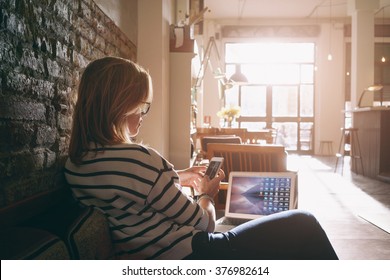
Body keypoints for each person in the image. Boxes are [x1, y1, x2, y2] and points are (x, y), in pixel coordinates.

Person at [64, 56, 338, 260]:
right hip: (191, 255)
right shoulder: (139, 158)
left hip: (144, 255)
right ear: (121, 105)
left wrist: (178, 176)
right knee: (304, 223)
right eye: (141, 105)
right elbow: (204, 222)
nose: (143, 115)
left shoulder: (77, 164)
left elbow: (127, 191)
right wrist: (206, 194)